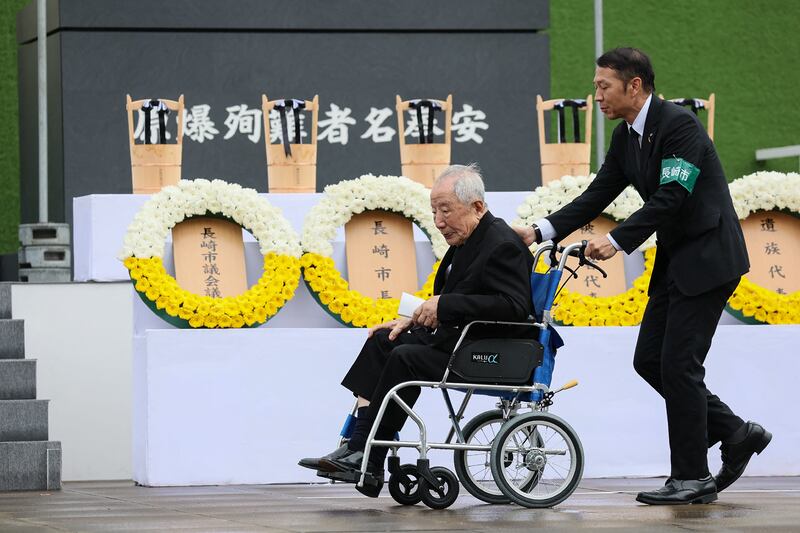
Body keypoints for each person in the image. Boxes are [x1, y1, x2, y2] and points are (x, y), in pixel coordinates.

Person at [516, 47, 770, 505]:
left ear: (635, 86)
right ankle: (735, 432)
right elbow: (598, 194)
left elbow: (672, 195)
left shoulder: (679, 126)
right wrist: (539, 231)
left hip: (710, 260)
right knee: (650, 361)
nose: (596, 95)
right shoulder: (625, 136)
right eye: (596, 86)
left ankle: (691, 476)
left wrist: (615, 242)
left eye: (603, 86)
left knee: (678, 365)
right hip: (678, 261)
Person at [299, 164, 535, 497]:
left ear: (477, 207)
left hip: (485, 350)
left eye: (445, 210)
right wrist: (411, 317)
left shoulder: (501, 243)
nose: (438, 221)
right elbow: (455, 298)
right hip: (456, 341)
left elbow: (513, 306)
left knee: (406, 357)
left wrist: (445, 305)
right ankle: (358, 450)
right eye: (434, 211)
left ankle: (367, 455)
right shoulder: (468, 240)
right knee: (384, 339)